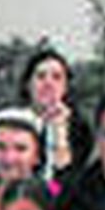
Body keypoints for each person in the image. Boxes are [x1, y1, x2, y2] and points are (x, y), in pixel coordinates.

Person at [20, 46, 92, 185]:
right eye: (41, 76)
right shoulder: (11, 123)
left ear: (66, 87)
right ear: (27, 84)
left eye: (57, 77)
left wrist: (60, 131)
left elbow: (73, 177)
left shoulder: (80, 128)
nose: (48, 83)